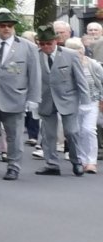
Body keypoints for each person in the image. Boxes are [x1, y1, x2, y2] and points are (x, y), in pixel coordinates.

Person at [0, 7, 42, 182]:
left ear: (14, 27)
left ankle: (13, 166)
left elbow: (35, 74)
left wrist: (33, 99)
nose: (6, 29)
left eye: (9, 25)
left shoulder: (28, 47)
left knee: (14, 136)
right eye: (2, 26)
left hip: (15, 97)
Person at [35, 26, 85, 177]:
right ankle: (51, 164)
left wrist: (86, 100)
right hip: (45, 99)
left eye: (49, 43)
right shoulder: (35, 56)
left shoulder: (70, 55)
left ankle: (77, 161)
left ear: (56, 41)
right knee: (48, 134)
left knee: (72, 132)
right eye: (42, 44)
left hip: (68, 98)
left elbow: (80, 79)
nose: (45, 47)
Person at [66, 37, 103, 175]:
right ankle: (81, 159)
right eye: (73, 51)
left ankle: (91, 161)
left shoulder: (93, 65)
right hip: (73, 103)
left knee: (89, 130)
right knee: (77, 132)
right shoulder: (65, 65)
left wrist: (102, 99)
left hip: (91, 101)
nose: (78, 54)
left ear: (83, 50)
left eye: (79, 50)